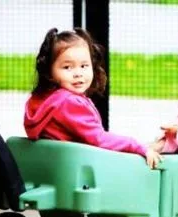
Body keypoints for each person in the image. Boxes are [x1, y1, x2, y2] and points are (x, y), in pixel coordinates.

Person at [24, 28, 162, 168]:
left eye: (84, 65)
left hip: (55, 169)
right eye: (67, 67)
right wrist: (137, 146)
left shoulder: (42, 101)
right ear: (49, 71)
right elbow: (99, 139)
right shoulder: (69, 103)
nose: (78, 73)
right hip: (78, 172)